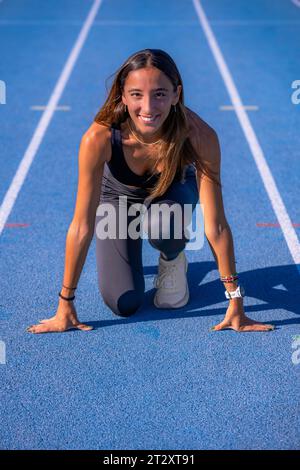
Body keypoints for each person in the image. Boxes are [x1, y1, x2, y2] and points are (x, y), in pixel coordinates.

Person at [26, 49, 274, 334]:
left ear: (176, 93)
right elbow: (82, 225)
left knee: (164, 223)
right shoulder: (99, 137)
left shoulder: (200, 136)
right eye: (136, 94)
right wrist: (65, 303)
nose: (148, 107)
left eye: (159, 94)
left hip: (173, 192)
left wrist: (235, 301)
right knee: (124, 304)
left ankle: (172, 257)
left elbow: (216, 226)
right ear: (122, 95)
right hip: (118, 198)